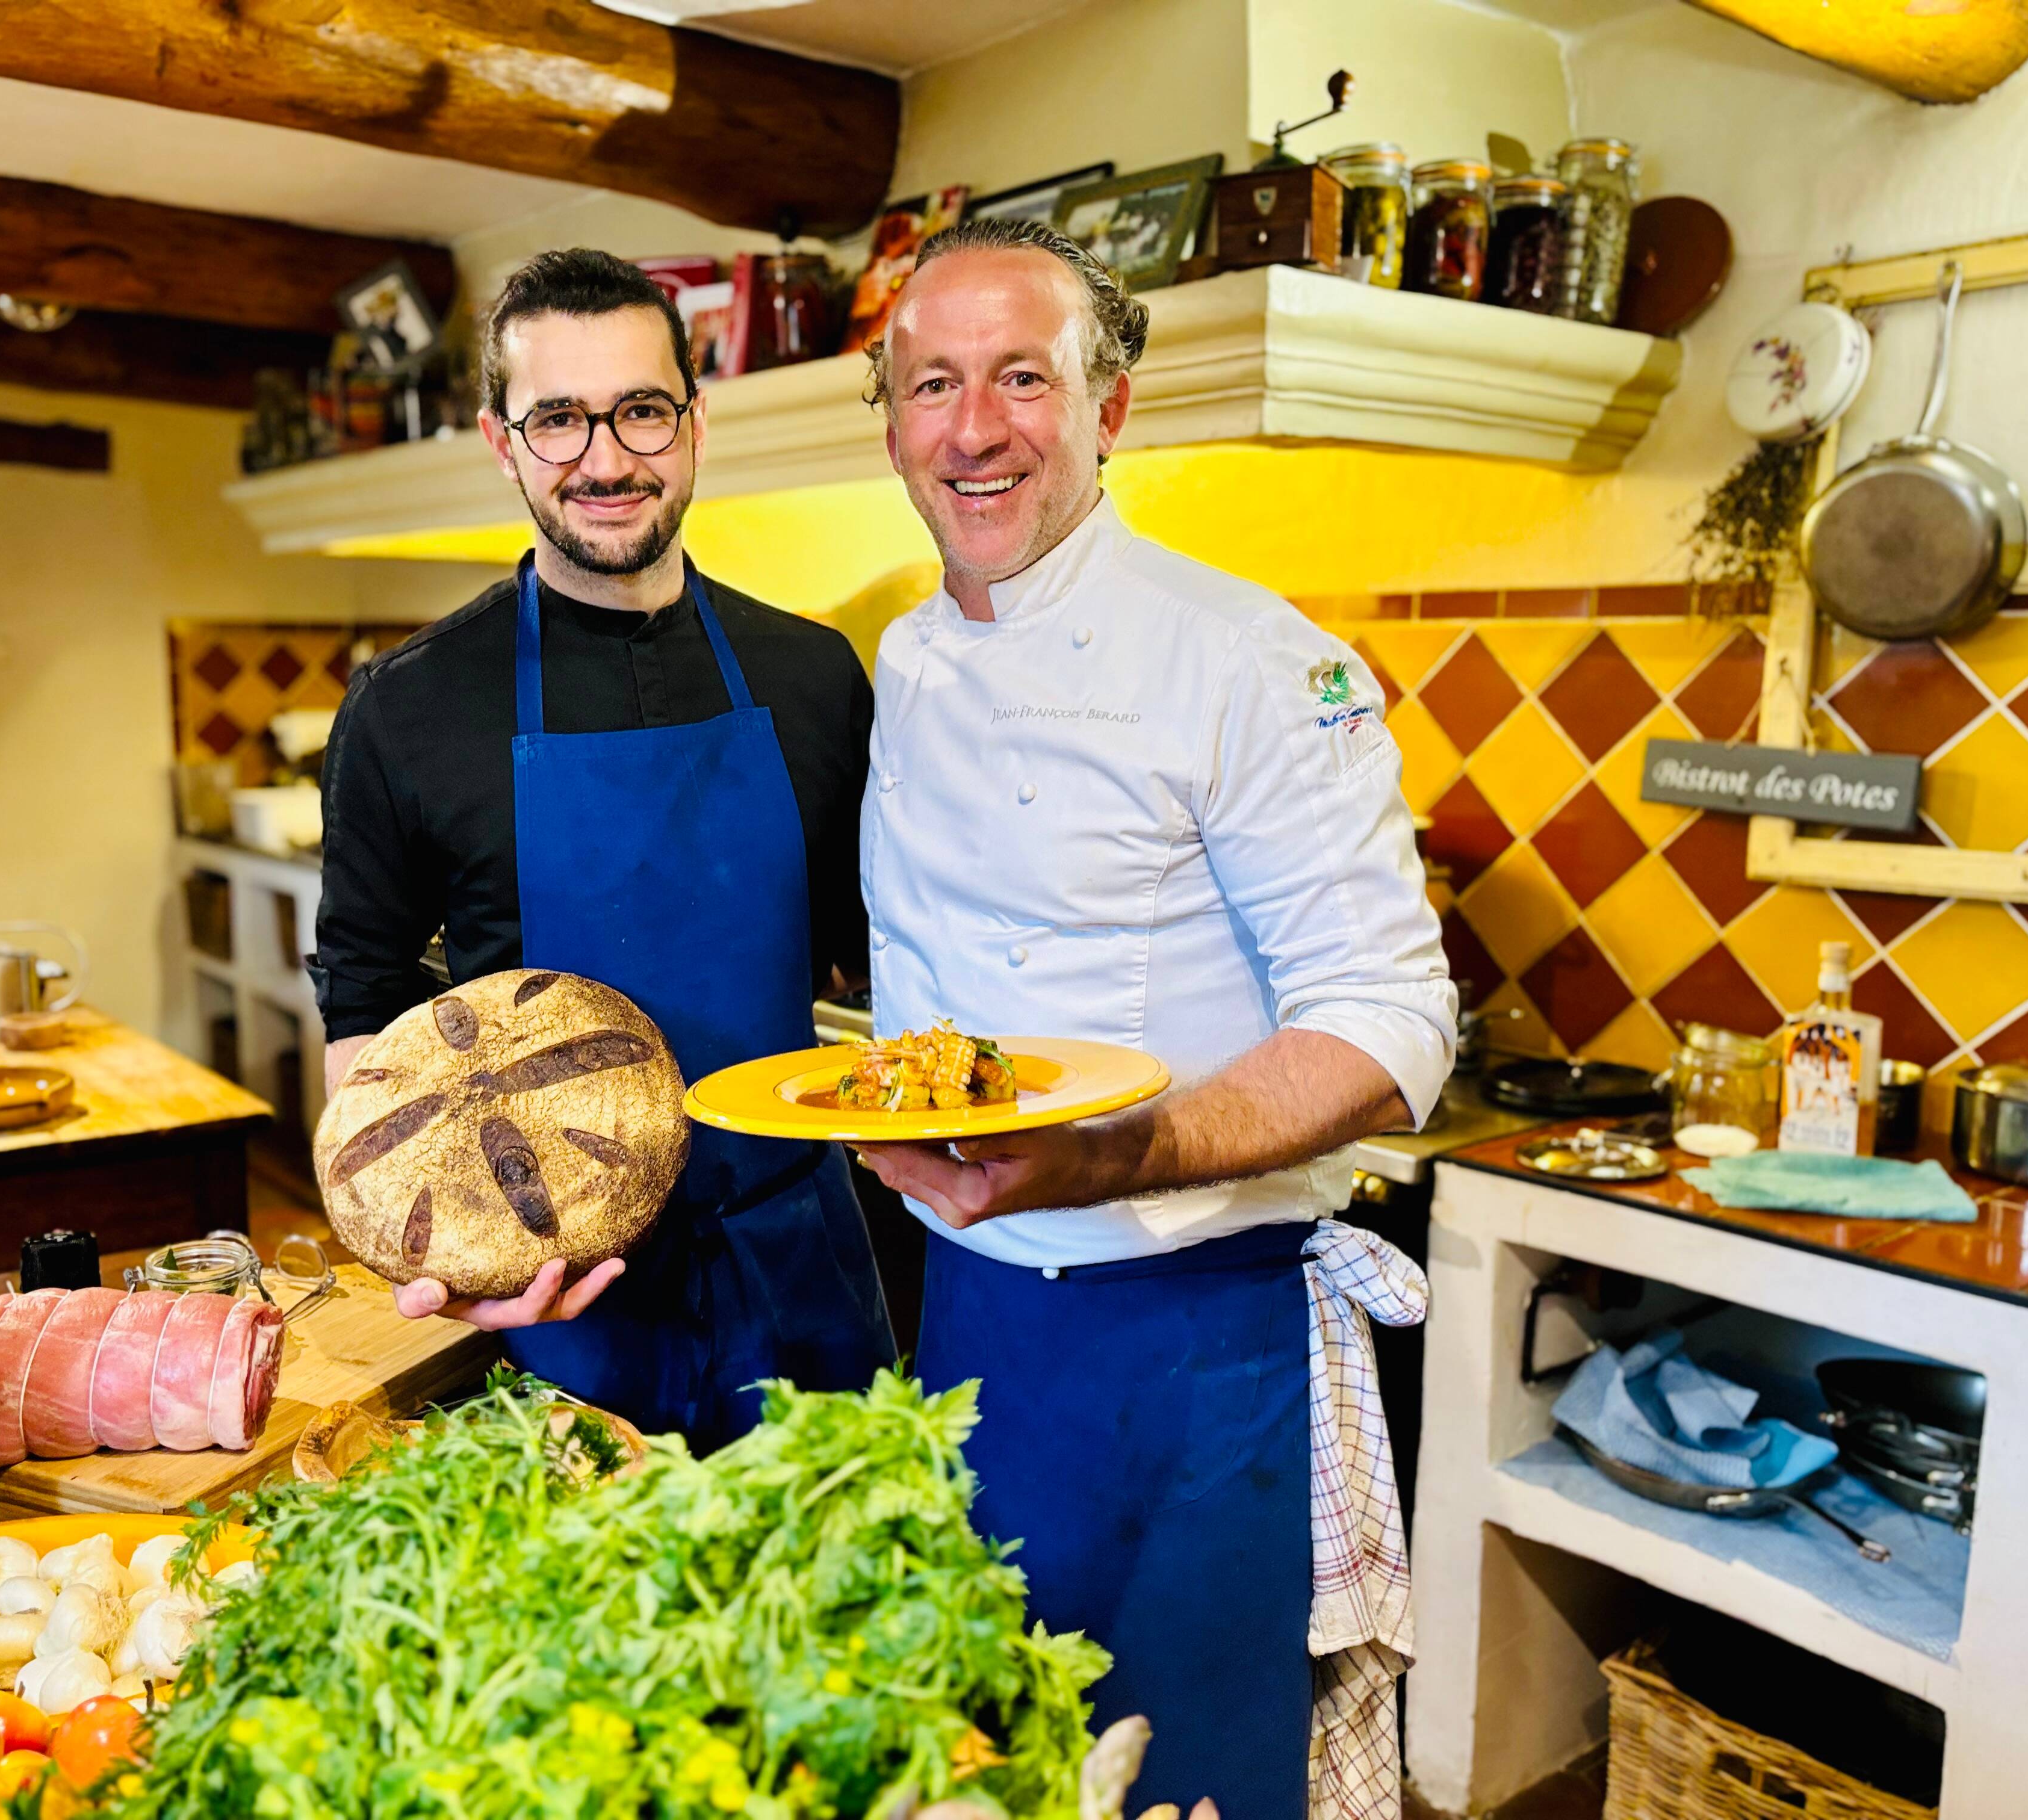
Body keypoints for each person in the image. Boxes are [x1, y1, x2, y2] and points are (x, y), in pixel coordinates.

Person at [853, 217, 1457, 1820]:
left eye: (1021, 381)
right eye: (931, 386)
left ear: (1110, 411)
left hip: (1189, 1331)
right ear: (895, 423)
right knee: (987, 1762)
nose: (972, 430)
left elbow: (1395, 1016)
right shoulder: (899, 659)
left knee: (1185, 1783)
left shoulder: (1254, 662)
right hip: (970, 1321)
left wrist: (1122, 1156)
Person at [312, 248, 896, 1452]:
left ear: (693, 420)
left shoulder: (813, 677)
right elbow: (366, 1011)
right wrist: (443, 1255)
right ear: (501, 441)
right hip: (558, 1290)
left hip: (804, 1266)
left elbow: (871, 961)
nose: (606, 458)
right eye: (559, 421)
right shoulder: (407, 710)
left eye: (639, 410)